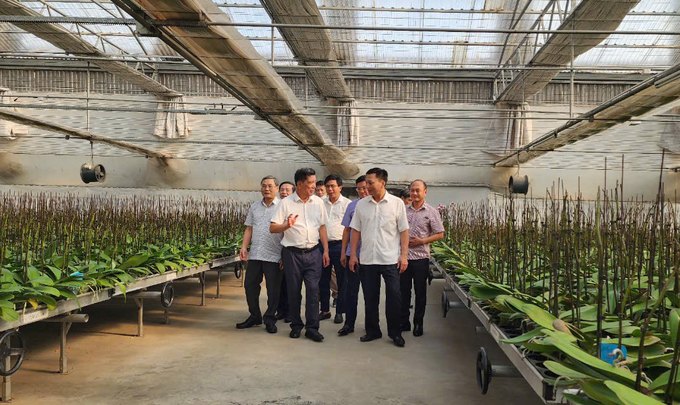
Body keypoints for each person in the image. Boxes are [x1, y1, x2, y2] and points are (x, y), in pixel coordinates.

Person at [349, 168, 409, 347]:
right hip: (367, 259)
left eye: (370, 182)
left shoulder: (397, 203)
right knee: (370, 297)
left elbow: (404, 230)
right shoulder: (361, 204)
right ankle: (372, 331)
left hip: (390, 259)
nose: (366, 186)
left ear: (382, 183)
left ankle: (395, 333)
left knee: (394, 297)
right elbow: (356, 231)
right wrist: (353, 254)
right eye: (366, 183)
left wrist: (404, 255)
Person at [270, 168, 330, 342]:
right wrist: (286, 226)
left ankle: (312, 328)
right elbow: (273, 227)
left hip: (313, 253)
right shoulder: (285, 203)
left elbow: (323, 227)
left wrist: (325, 250)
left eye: (314, 182)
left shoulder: (318, 202)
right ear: (299, 184)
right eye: (310, 183)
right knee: (294, 291)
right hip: (292, 254)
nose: (313, 186)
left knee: (313, 290)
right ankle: (296, 326)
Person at [237, 176, 284, 334]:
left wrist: (285, 254)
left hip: (274, 254)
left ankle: (270, 319)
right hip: (256, 254)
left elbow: (287, 231)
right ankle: (255, 315)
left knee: (273, 289)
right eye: (264, 186)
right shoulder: (255, 207)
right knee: (250, 285)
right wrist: (244, 247)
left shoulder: (283, 207)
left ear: (277, 188)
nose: (267, 189)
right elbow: (249, 228)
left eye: (270, 186)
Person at [401, 180, 445, 337]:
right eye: (412, 190)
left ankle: (418, 323)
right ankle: (404, 321)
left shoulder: (431, 212)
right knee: (403, 292)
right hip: (404, 258)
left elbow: (440, 233)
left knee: (420, 292)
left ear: (425, 192)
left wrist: (422, 241)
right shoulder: (403, 210)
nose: (414, 193)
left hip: (421, 258)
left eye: (417, 190)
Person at [338, 175, 369, 336]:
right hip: (353, 256)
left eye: (365, 187)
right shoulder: (352, 206)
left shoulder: (377, 206)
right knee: (351, 292)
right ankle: (348, 324)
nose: (363, 191)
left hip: (371, 257)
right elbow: (347, 231)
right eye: (360, 189)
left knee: (370, 293)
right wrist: (344, 252)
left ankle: (371, 326)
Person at [319, 174, 351, 323]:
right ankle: (324, 310)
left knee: (342, 280)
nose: (330, 189)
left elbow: (350, 228)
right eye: (328, 186)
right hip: (322, 246)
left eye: (333, 186)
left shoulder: (347, 204)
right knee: (322, 279)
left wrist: (346, 250)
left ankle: (340, 311)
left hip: (340, 246)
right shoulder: (320, 203)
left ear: (340, 187)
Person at [275, 181, 295, 323]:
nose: (284, 192)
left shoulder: (293, 209)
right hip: (274, 251)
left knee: (290, 284)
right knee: (279, 284)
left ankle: (290, 312)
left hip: (288, 251)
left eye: (287, 190)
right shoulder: (276, 207)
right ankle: (281, 310)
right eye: (282, 190)